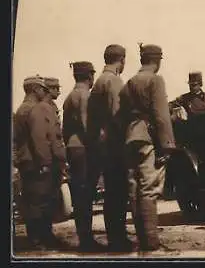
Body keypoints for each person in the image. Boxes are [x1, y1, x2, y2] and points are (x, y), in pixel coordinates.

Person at [118, 44, 176, 252]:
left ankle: (142, 241)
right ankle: (152, 243)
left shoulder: (130, 82)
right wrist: (167, 146)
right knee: (149, 191)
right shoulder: (155, 80)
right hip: (148, 139)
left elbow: (122, 114)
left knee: (135, 191)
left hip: (130, 138)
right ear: (158, 60)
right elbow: (161, 115)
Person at [13, 76, 68, 250]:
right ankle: (37, 240)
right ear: (35, 89)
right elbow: (38, 138)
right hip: (35, 162)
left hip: (29, 160)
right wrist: (45, 162)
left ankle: (43, 237)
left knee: (39, 201)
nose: (44, 92)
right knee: (38, 202)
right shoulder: (31, 109)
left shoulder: (24, 108)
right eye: (42, 89)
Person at [86, 44, 132, 252]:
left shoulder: (98, 82)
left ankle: (116, 237)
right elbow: (117, 115)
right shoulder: (113, 81)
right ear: (121, 59)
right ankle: (118, 240)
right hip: (115, 146)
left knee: (112, 194)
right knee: (118, 194)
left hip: (102, 146)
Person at [62, 61, 103, 251]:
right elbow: (88, 128)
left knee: (80, 194)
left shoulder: (70, 96)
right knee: (85, 195)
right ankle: (86, 241)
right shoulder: (85, 95)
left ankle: (84, 238)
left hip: (73, 148)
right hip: (85, 149)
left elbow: (64, 130)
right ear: (90, 76)